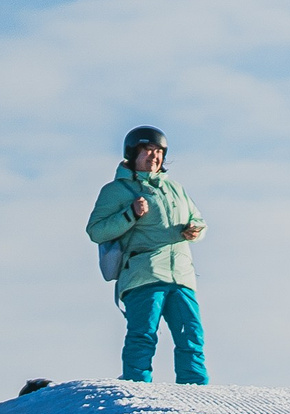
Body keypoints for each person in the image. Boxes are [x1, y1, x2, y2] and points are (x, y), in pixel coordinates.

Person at [86, 125, 209, 384]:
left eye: (159, 152)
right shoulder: (116, 190)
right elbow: (96, 231)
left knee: (191, 334)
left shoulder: (175, 189)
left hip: (182, 276)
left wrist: (194, 231)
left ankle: (196, 389)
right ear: (133, 154)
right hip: (144, 273)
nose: (154, 157)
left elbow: (198, 219)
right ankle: (137, 386)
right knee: (143, 334)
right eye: (147, 151)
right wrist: (130, 214)